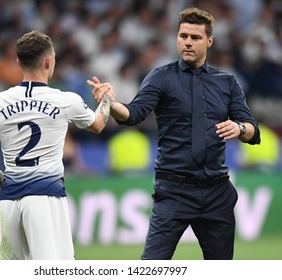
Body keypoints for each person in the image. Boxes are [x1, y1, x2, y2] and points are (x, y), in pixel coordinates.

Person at [88, 7, 261, 260]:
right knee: (151, 268)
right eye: (183, 36)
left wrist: (240, 128)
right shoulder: (161, 77)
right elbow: (134, 113)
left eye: (195, 37)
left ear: (209, 41)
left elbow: (253, 131)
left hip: (217, 193)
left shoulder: (227, 82)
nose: (188, 42)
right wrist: (110, 104)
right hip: (173, 191)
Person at [0, 30, 114, 260]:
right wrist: (106, 98)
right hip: (45, 198)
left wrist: (2, 181)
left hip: (10, 202)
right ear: (49, 61)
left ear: (19, 61)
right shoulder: (65, 100)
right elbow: (98, 125)